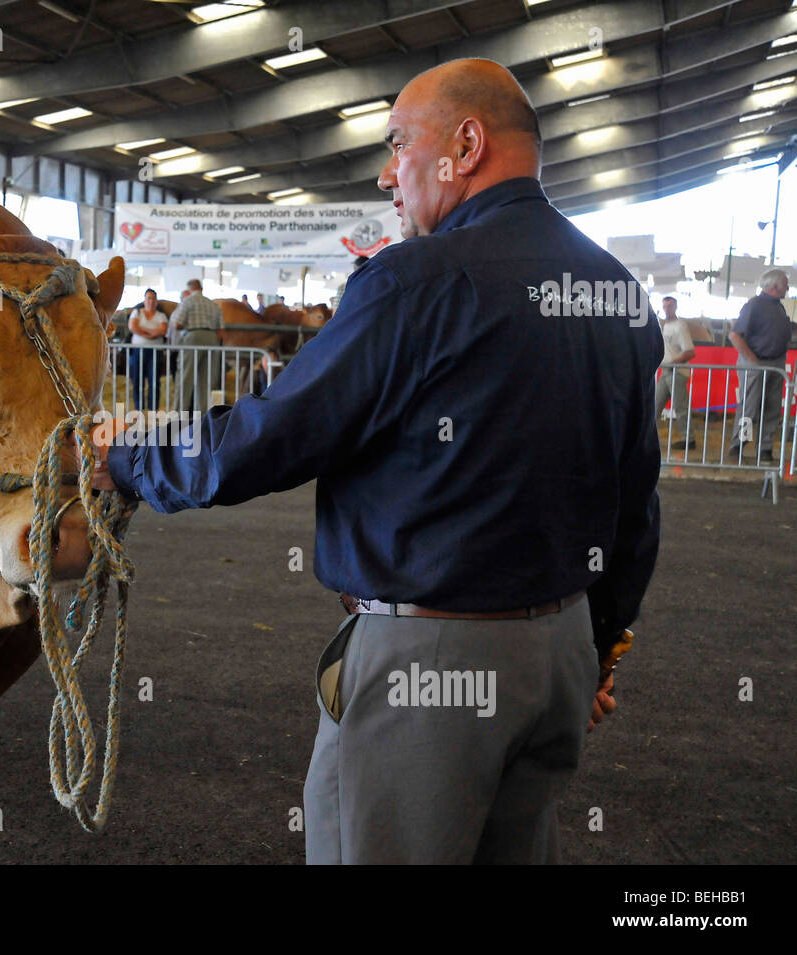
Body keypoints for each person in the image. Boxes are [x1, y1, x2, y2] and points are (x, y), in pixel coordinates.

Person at [91, 58, 662, 865]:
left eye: (399, 144)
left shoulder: (413, 282)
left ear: (466, 145)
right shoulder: (615, 291)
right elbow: (637, 502)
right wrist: (598, 646)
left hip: (431, 665)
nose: (388, 172)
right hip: (560, 656)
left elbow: (268, 438)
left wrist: (128, 458)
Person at [727, 269, 792, 465]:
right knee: (750, 407)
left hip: (775, 362)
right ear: (774, 286)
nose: (787, 288)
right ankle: (740, 443)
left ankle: (765, 447)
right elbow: (735, 335)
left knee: (771, 408)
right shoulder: (754, 305)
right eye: (784, 284)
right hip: (757, 362)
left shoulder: (779, 307)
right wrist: (752, 358)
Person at [168, 278, 223, 416]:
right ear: (201, 288)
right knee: (206, 380)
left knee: (185, 377)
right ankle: (203, 417)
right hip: (211, 339)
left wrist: (187, 327)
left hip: (193, 337)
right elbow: (221, 330)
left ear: (189, 289)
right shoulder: (213, 305)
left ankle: (179, 416)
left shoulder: (187, 301)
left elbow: (177, 324)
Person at [655, 296, 697, 451]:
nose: (667, 309)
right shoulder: (665, 326)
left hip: (675, 370)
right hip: (667, 370)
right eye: (665, 306)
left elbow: (690, 352)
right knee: (655, 405)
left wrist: (671, 363)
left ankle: (689, 439)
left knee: (680, 407)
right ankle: (647, 437)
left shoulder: (680, 326)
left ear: (676, 307)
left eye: (670, 306)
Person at [126, 288, 169, 412]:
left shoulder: (161, 315)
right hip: (138, 350)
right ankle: (139, 409)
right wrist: (152, 334)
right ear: (144, 300)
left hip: (155, 352)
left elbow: (163, 330)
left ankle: (152, 409)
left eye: (153, 299)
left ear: (156, 301)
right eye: (149, 298)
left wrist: (143, 331)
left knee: (154, 381)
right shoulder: (137, 313)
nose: (151, 301)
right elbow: (133, 327)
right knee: (137, 380)